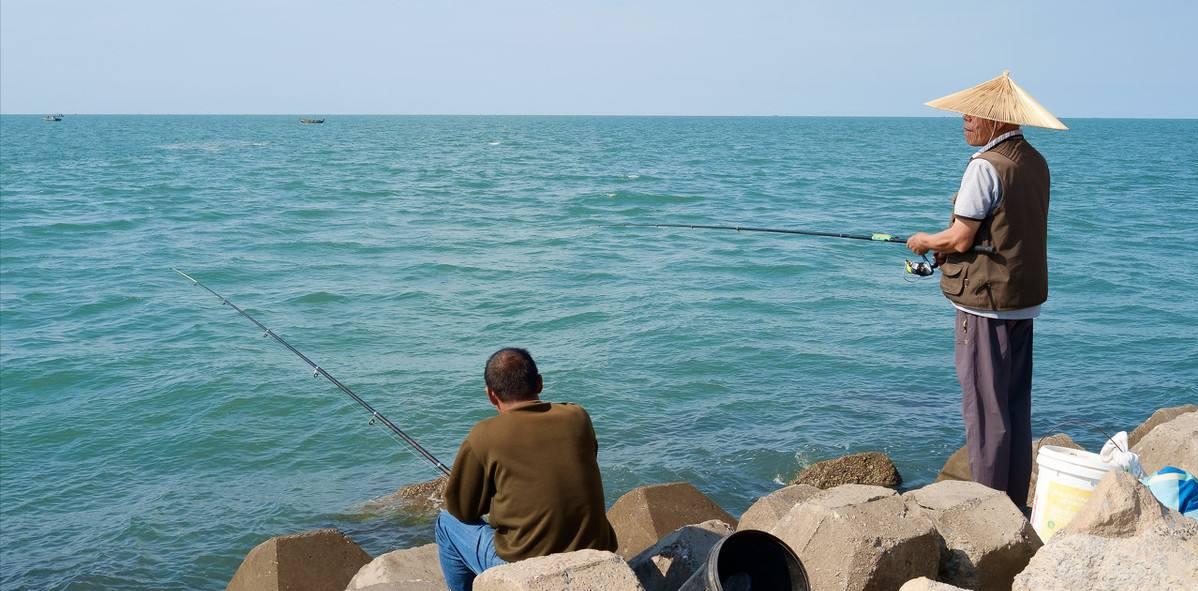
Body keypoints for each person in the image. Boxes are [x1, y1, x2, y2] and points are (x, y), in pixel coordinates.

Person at [905, 71, 1067, 508]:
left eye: (972, 115)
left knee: (984, 411)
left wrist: (925, 240)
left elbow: (960, 238)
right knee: (1014, 408)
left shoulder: (984, 167)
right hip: (1023, 302)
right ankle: (1013, 503)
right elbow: (1006, 231)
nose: (965, 121)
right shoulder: (1034, 161)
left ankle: (989, 510)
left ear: (996, 120)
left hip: (986, 306)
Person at [435, 348, 617, 590]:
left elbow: (461, 510)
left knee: (446, 523)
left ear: (491, 395)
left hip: (526, 565)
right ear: (539, 383)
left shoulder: (483, 435)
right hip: (593, 551)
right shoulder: (578, 416)